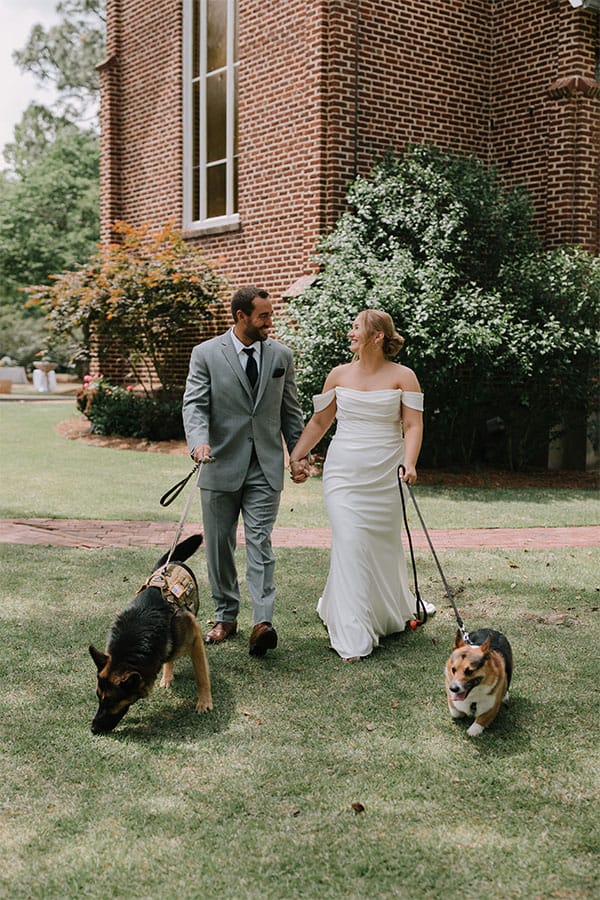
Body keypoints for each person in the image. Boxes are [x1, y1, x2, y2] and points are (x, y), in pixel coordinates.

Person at [288, 308, 434, 661]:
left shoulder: (404, 376)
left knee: (381, 547)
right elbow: (321, 421)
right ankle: (352, 633)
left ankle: (388, 610)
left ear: (378, 335)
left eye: (356, 327)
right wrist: (296, 456)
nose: (350, 332)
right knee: (350, 541)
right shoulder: (338, 374)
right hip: (343, 475)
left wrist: (410, 462)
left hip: (386, 474)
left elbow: (412, 426)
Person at [183, 286, 307, 657]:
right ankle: (225, 615)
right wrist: (198, 442)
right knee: (219, 545)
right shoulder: (205, 354)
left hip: (265, 468)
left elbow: (291, 411)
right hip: (218, 463)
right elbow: (195, 405)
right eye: (263, 316)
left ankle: (263, 622)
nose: (270, 322)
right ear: (241, 317)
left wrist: (298, 454)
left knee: (260, 542)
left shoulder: (282, 355)